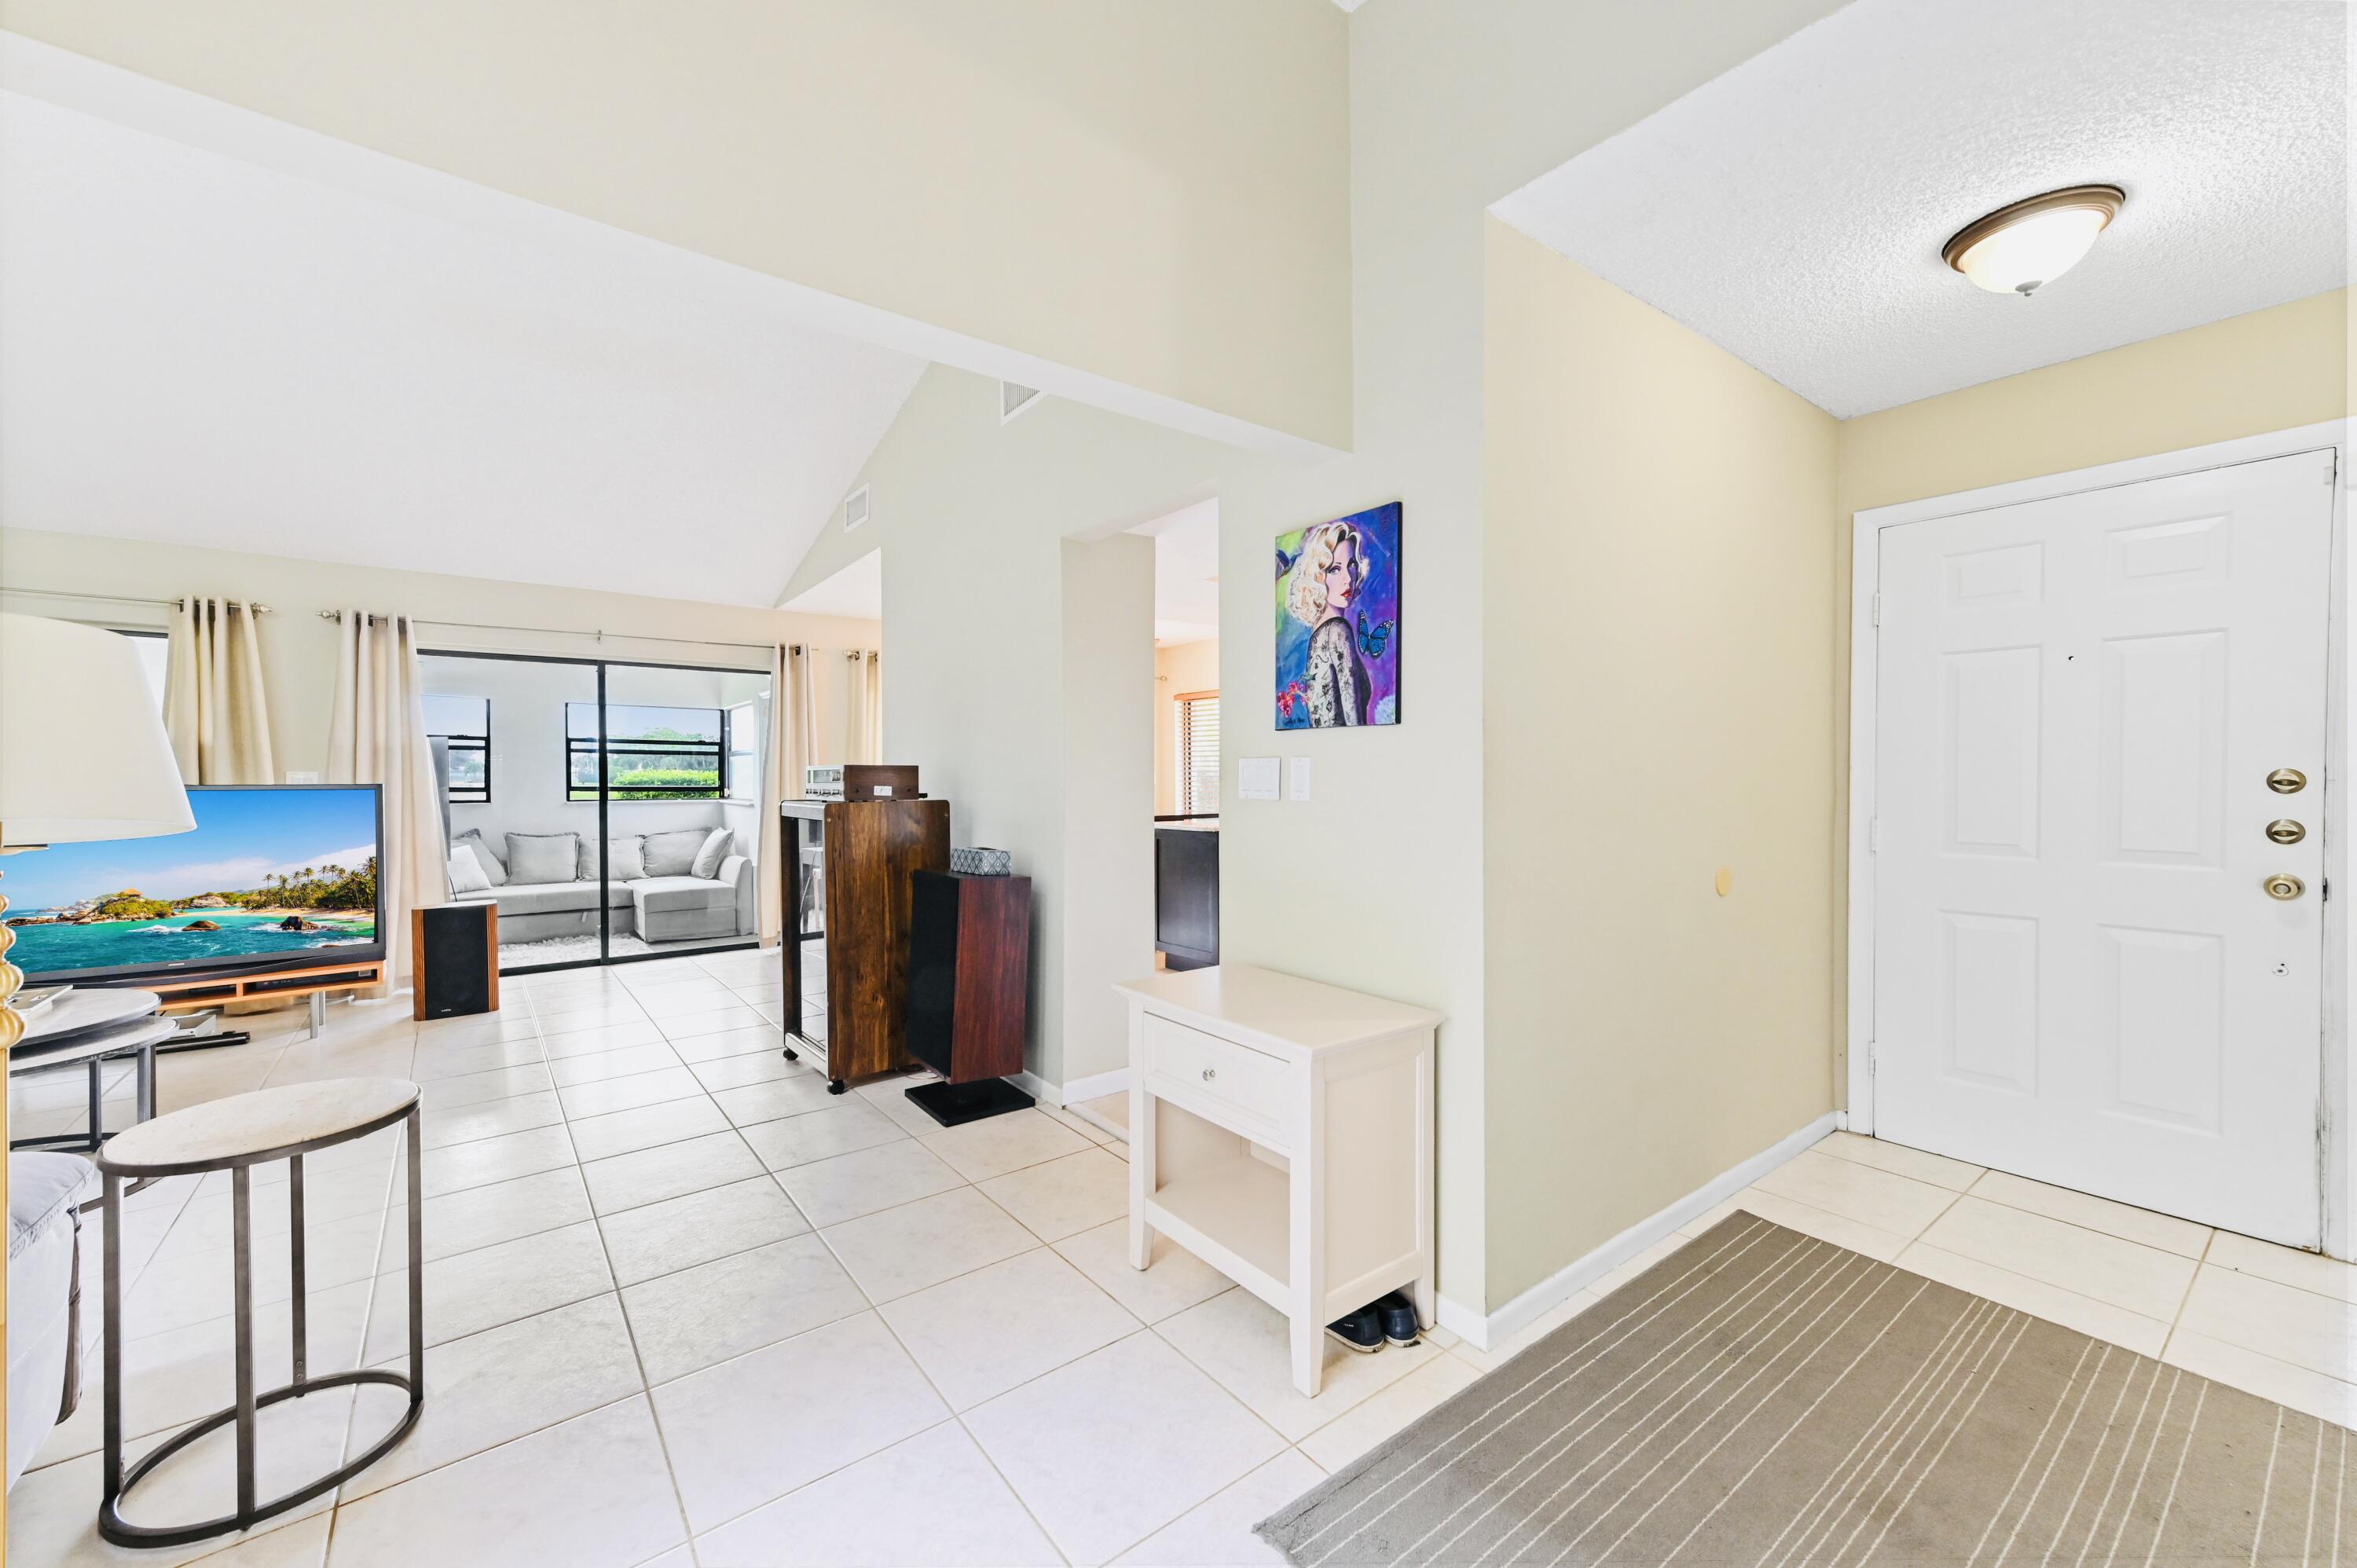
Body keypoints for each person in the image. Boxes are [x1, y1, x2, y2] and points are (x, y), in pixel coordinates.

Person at [1284, 519, 1371, 727]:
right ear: (1318, 576)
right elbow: (1354, 723)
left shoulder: (1318, 637)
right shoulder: (1338, 631)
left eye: (1351, 565)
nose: (1348, 579)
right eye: (1334, 569)